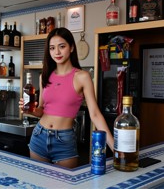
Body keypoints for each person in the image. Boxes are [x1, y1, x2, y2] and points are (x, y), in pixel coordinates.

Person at [19, 28, 114, 168]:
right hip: (39, 136)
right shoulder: (44, 76)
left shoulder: (82, 77)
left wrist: (116, 150)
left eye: (62, 46)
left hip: (64, 140)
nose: (56, 52)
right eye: (52, 48)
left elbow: (95, 115)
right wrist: (30, 110)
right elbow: (41, 110)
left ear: (71, 48)